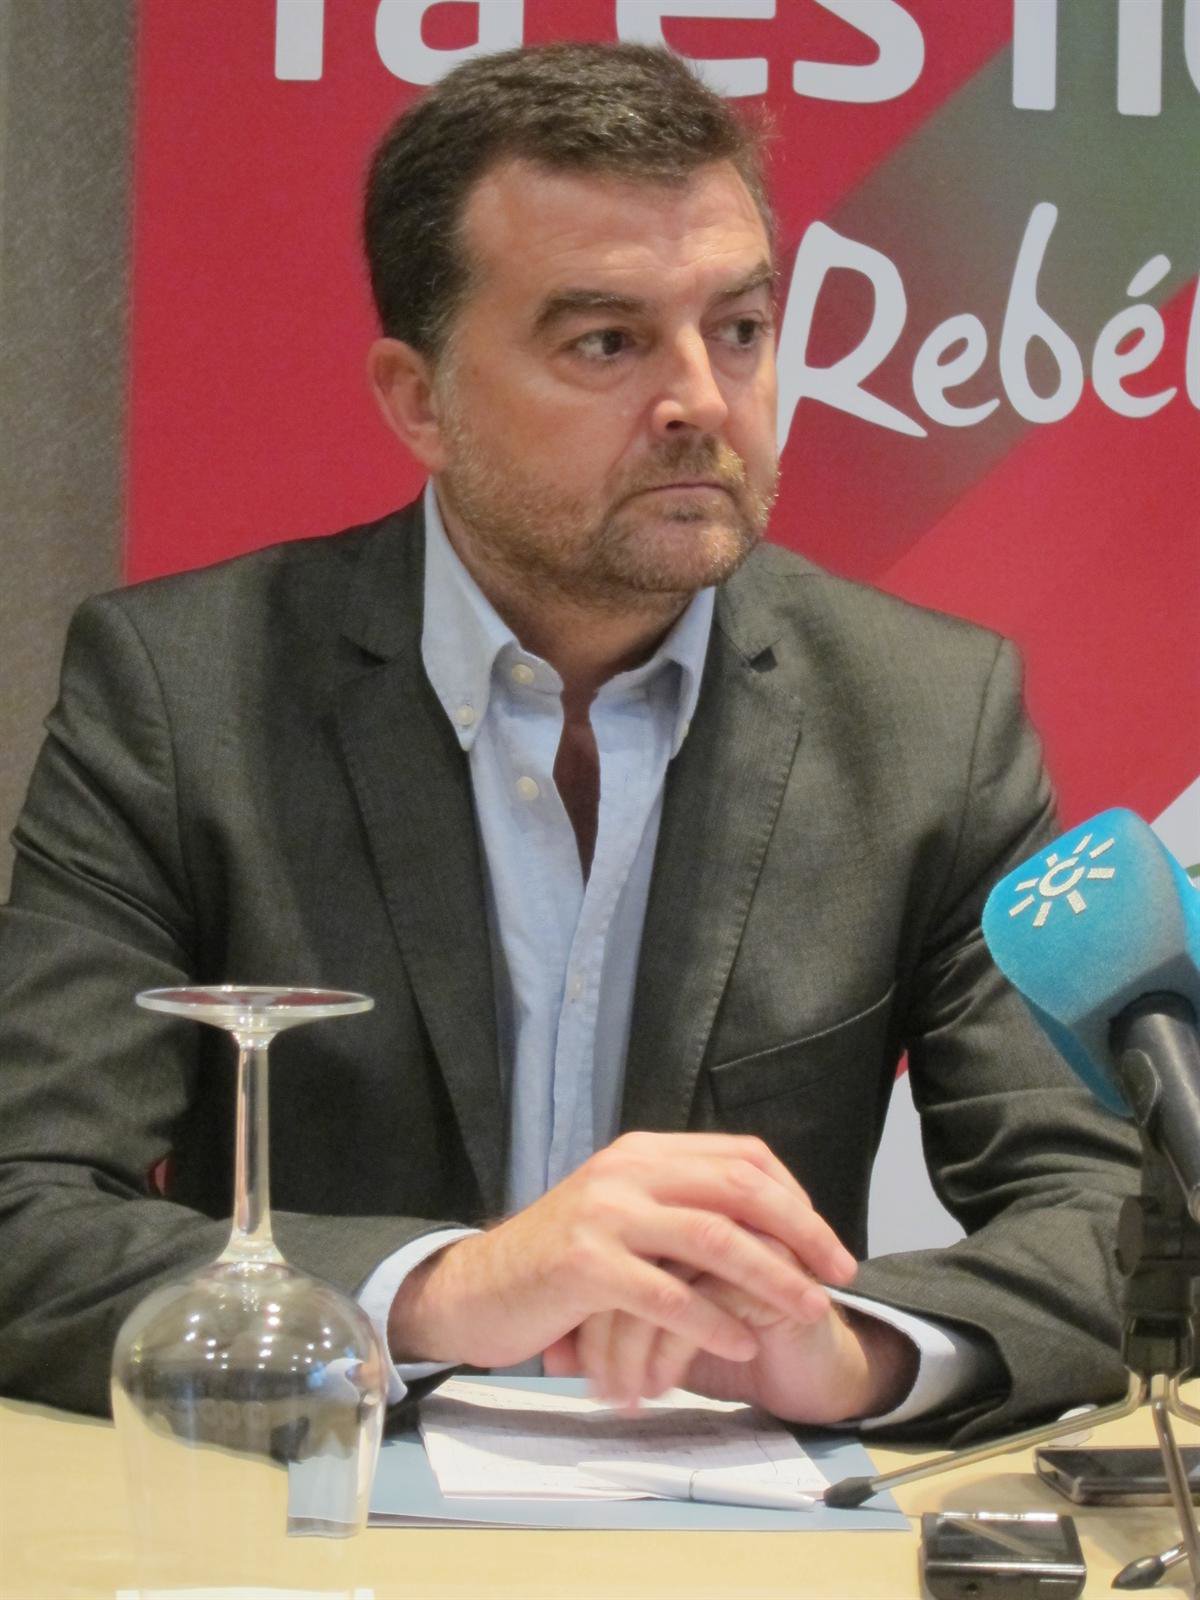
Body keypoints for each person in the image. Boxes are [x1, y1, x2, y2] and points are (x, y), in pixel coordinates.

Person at [0, 42, 1139, 1438]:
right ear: (419, 399)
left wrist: (854, 1353)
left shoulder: (927, 718)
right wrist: (439, 1291)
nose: (703, 401)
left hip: (733, 1516)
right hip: (319, 1506)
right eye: (607, 342)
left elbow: (1111, 1216)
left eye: (739, 329)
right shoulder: (184, 696)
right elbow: (25, 1211)